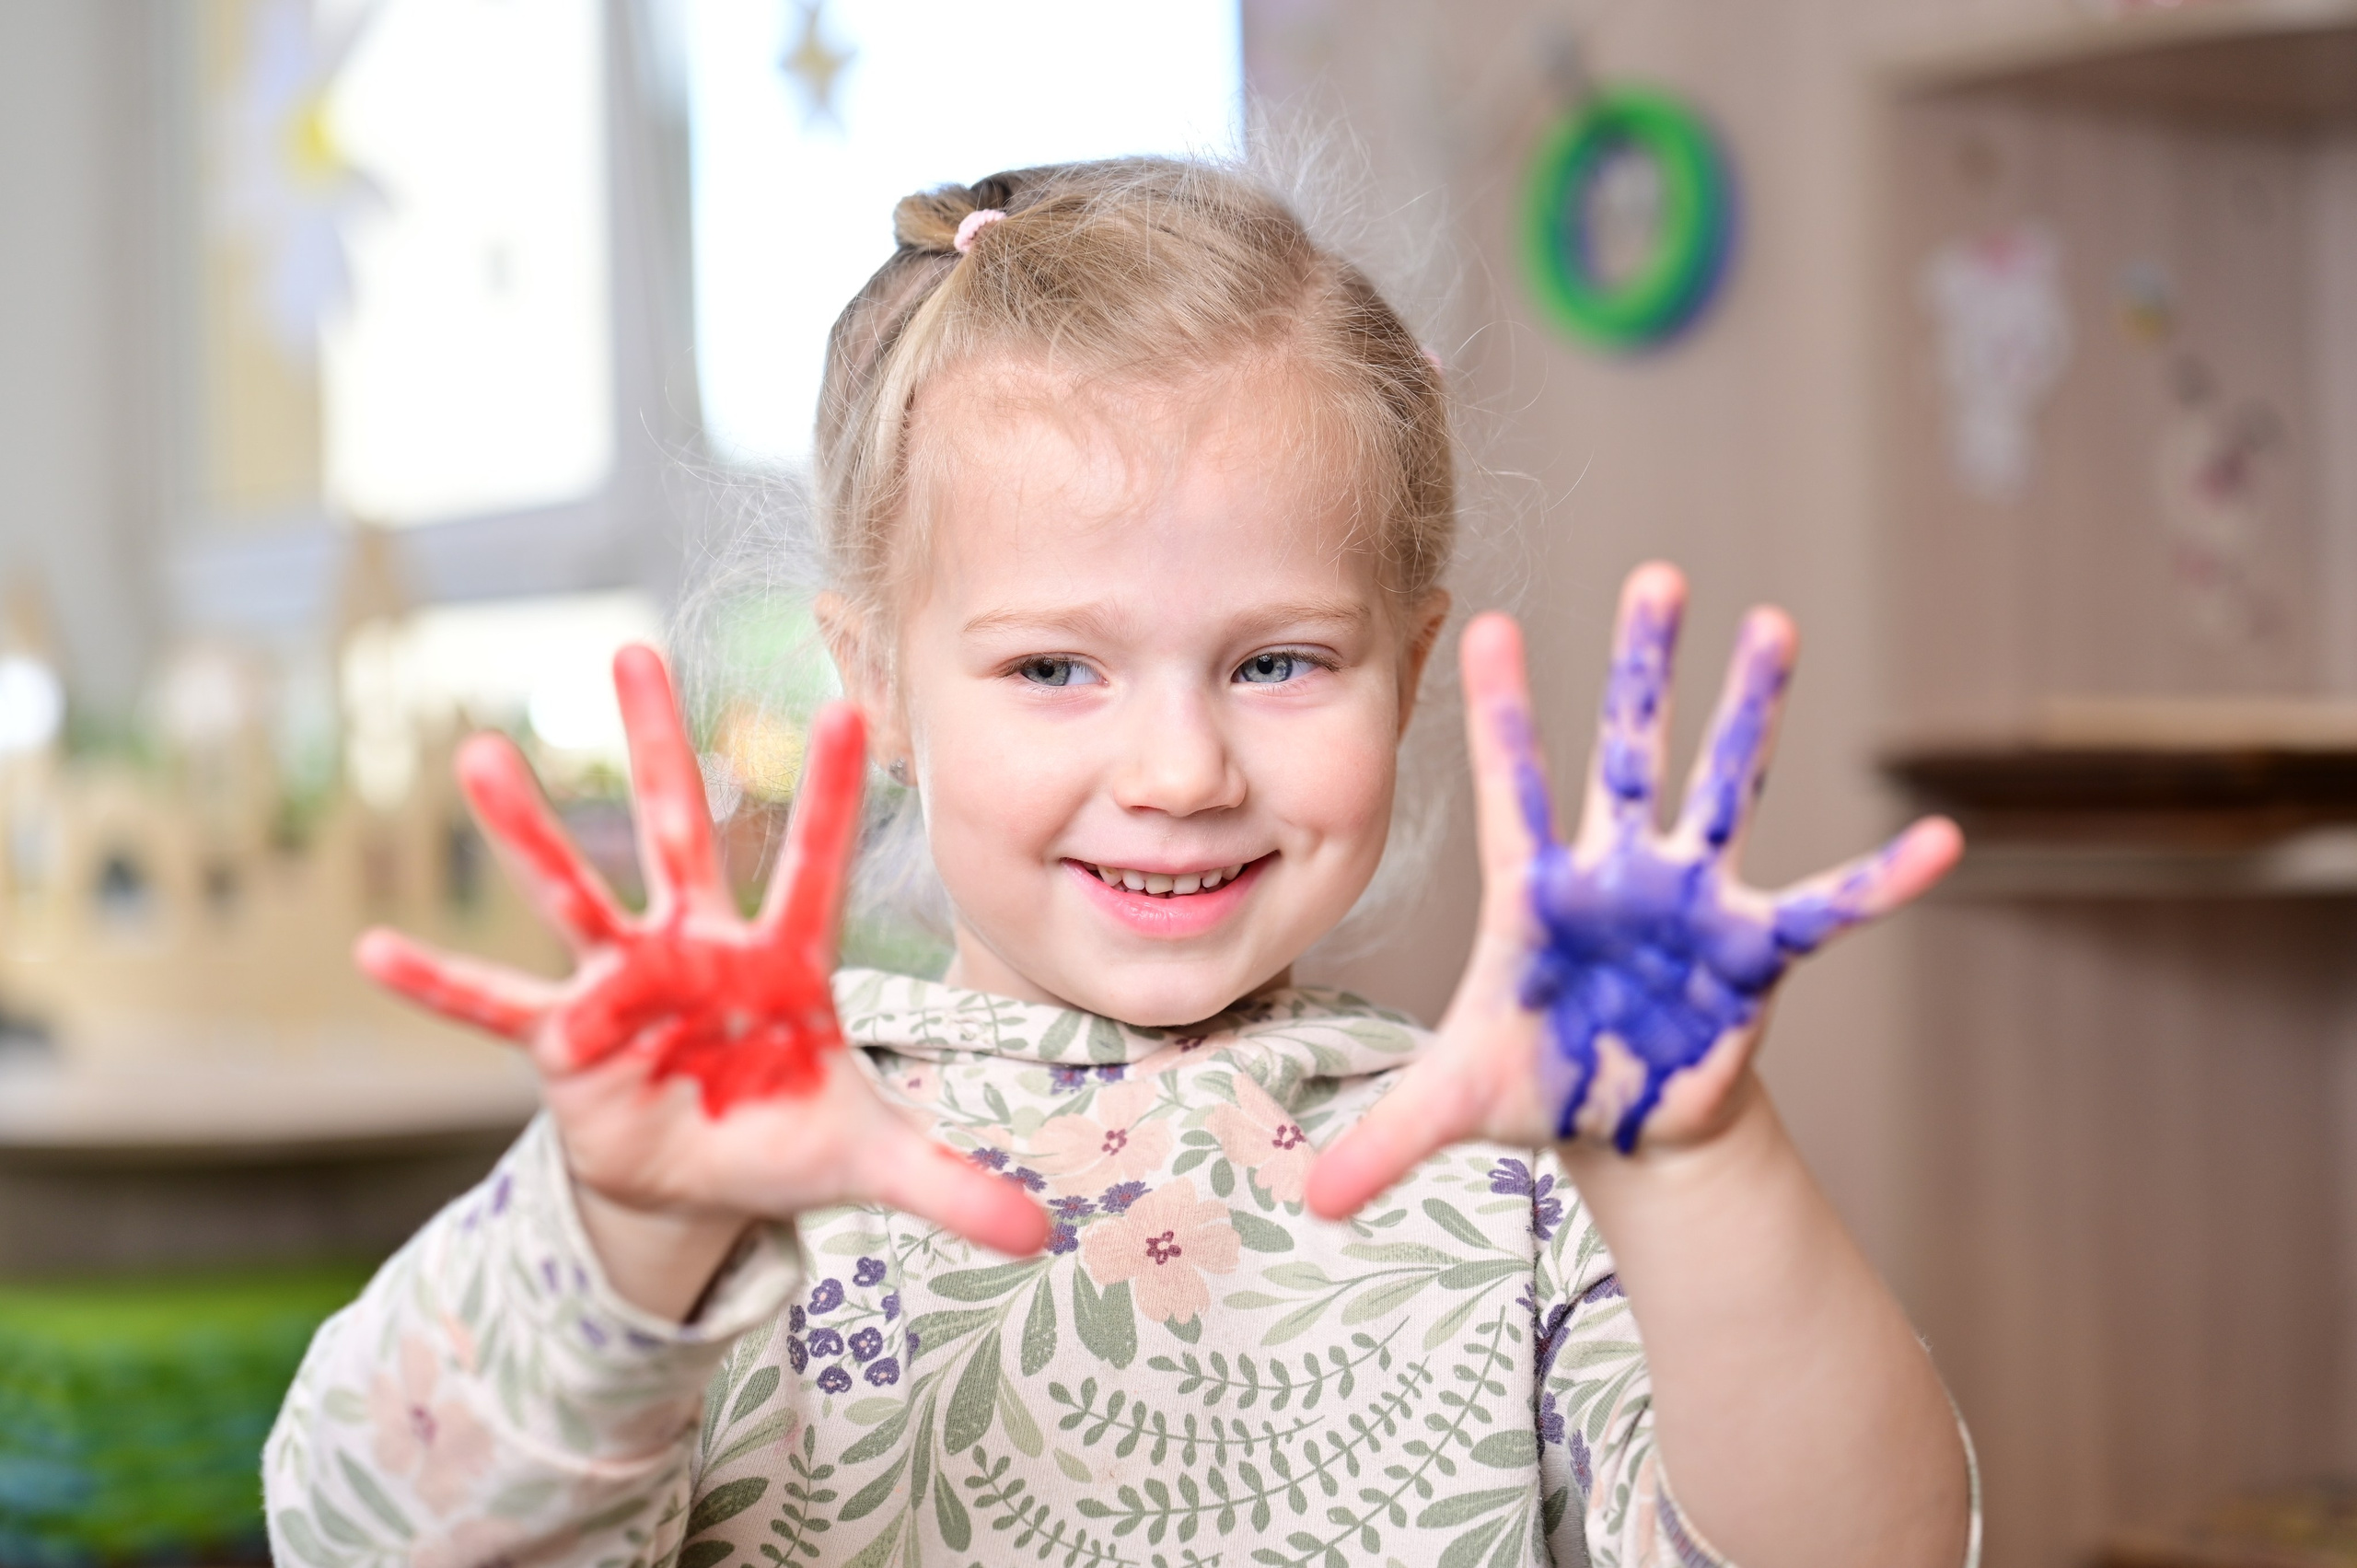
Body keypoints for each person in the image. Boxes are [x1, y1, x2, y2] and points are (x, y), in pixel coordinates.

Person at [265, 158, 1975, 1568]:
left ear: (1413, 663)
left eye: (1279, 661)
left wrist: (1705, 1165)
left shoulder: (1520, 1166)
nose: (1178, 771)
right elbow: (355, 1536)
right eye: (1053, 668)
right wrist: (621, 1229)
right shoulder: (737, 1135)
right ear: (878, 691)